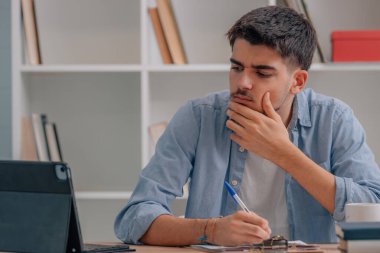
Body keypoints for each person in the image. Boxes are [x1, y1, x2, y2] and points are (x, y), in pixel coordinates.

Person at [114, 5, 380, 246]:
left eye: (262, 73)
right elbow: (135, 217)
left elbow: (373, 209)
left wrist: (283, 153)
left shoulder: (334, 119)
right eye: (237, 67)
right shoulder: (199, 117)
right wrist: (211, 229)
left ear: (297, 81)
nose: (243, 83)